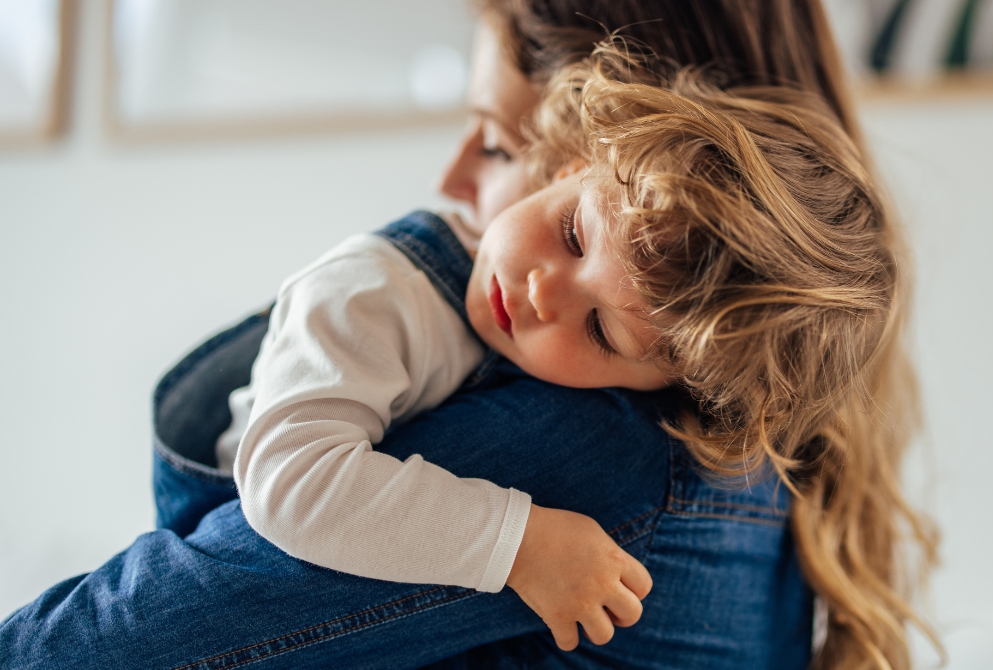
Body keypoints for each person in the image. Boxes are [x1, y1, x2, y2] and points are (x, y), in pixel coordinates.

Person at [0, 3, 935, 669]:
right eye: (571, 231)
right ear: (593, 147)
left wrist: (519, 537)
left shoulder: (598, 453)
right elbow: (286, 478)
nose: (537, 290)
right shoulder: (382, 296)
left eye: (495, 140)